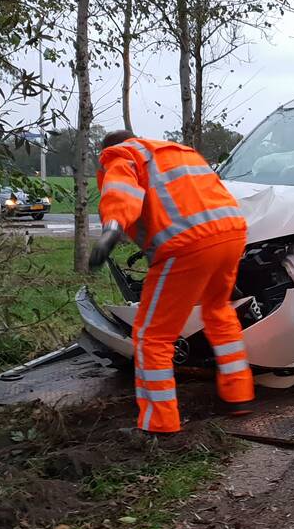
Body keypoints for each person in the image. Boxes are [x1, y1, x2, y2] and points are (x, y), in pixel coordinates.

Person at [89, 130, 254, 436]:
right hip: (232, 234)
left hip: (186, 245)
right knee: (218, 311)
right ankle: (238, 396)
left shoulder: (122, 154)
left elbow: (121, 192)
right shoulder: (176, 152)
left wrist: (111, 231)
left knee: (152, 336)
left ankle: (160, 424)